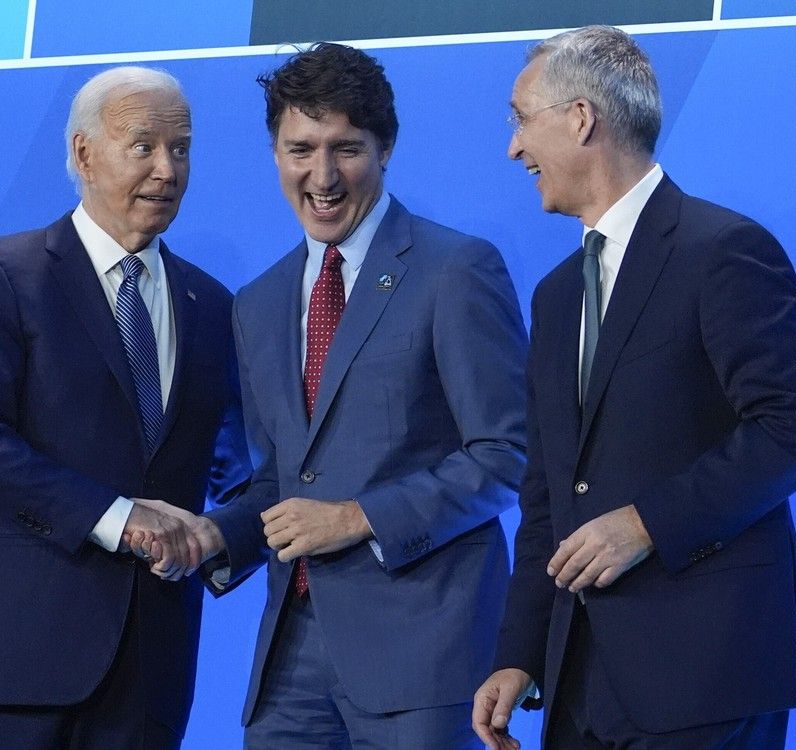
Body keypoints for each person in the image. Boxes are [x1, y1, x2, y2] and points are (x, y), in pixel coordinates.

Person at [144, 42, 526, 748]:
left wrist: (360, 516)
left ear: (386, 149)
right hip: (291, 659)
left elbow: (505, 455)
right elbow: (280, 481)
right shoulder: (257, 304)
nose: (321, 176)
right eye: (300, 149)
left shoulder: (456, 270)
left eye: (345, 148)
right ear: (274, 152)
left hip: (424, 657)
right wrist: (216, 532)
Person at [472, 25, 796, 750]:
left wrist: (646, 523)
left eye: (520, 119)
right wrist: (519, 651)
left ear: (580, 119)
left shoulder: (723, 251)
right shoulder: (554, 297)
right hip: (579, 686)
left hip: (707, 677)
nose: (513, 147)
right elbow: (547, 493)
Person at [0, 66, 250, 749]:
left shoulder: (212, 306)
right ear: (81, 152)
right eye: (144, 145)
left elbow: (240, 468)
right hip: (8, 666)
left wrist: (224, 538)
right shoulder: (5, 276)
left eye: (181, 148)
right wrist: (120, 519)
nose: (167, 168)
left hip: (148, 677)